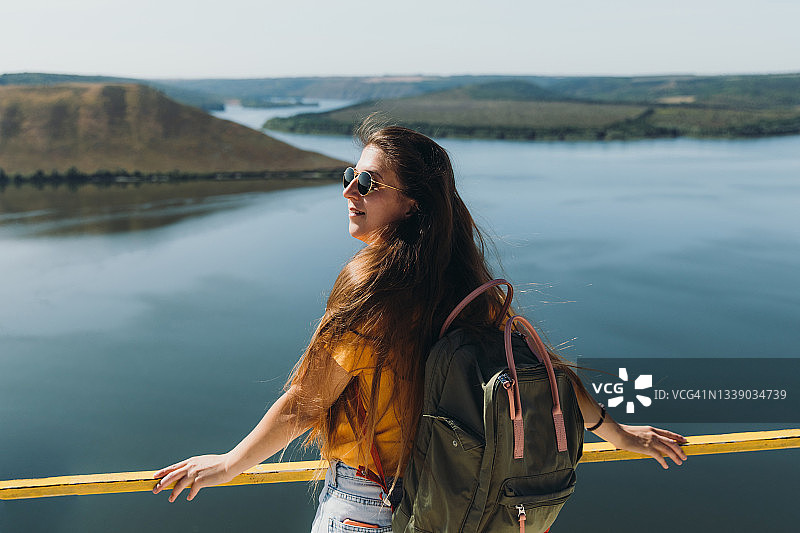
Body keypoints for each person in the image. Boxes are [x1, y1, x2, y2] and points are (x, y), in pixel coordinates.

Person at [152, 123, 687, 531]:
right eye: (349, 177)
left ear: (412, 204)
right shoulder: (473, 290)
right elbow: (539, 373)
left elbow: (304, 404)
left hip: (369, 507)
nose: (349, 192)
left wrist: (231, 464)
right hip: (454, 507)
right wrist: (616, 434)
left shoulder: (374, 293)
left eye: (368, 182)